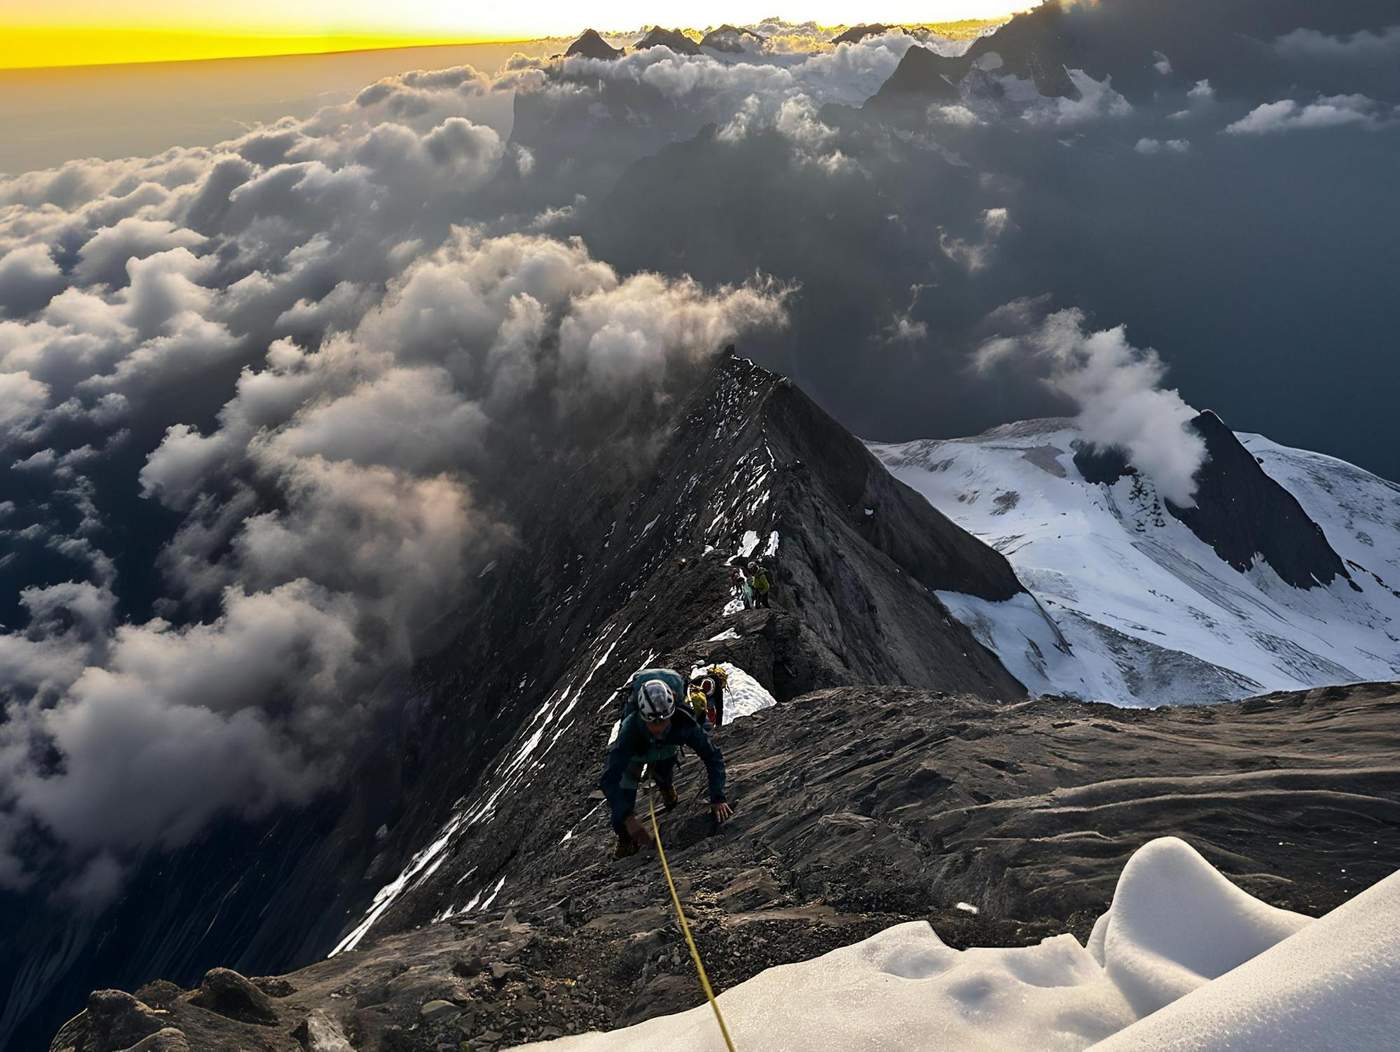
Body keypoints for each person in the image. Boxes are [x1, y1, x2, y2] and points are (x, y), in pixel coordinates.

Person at [601, 673, 731, 859]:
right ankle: (625, 839)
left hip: (664, 750)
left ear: (672, 713)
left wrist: (718, 797)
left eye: (663, 720)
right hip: (637, 754)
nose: (658, 727)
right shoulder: (630, 730)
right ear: (642, 716)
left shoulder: (684, 722)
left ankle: (667, 789)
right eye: (652, 722)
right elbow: (609, 777)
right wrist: (627, 818)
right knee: (623, 803)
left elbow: (712, 756)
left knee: (663, 773)